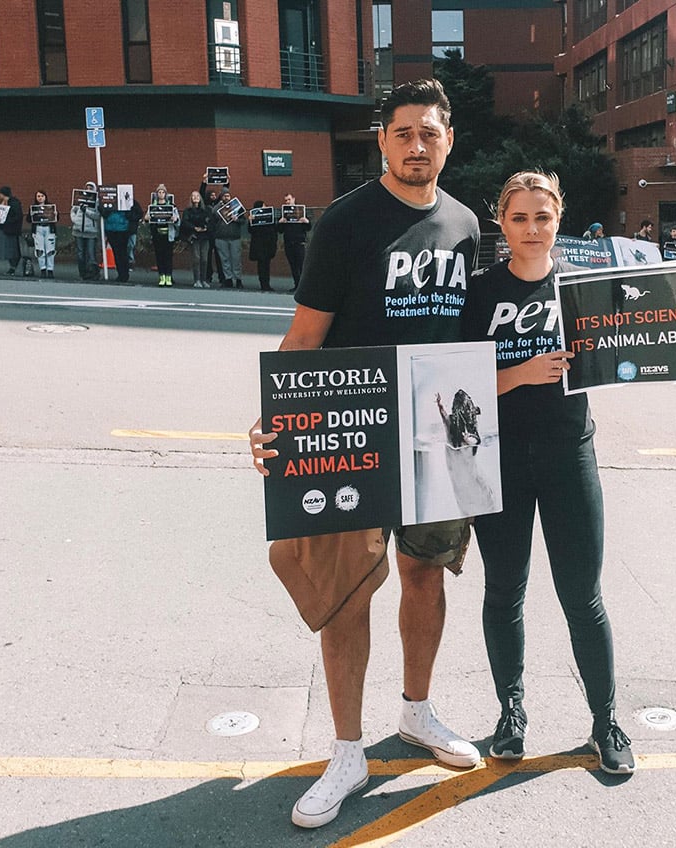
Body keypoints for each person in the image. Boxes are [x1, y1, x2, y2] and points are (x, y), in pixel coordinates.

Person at [248, 78, 481, 830]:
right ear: (382, 139)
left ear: (449, 140)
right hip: (353, 429)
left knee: (426, 574)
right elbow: (307, 334)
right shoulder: (346, 223)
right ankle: (347, 751)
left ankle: (417, 712)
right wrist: (273, 422)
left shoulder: (466, 225)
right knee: (348, 592)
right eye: (404, 131)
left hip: (439, 432)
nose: (418, 145)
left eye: (431, 133)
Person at [462, 171, 676, 774]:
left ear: (559, 220)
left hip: (568, 456)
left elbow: (660, 329)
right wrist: (517, 374)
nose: (532, 229)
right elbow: (449, 384)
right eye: (520, 218)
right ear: (501, 224)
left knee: (583, 597)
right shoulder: (479, 293)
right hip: (499, 461)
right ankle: (511, 715)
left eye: (543, 217)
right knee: (504, 591)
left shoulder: (584, 288)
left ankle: (604, 722)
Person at [100, 193, 143, 284]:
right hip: (111, 229)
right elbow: (104, 213)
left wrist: (129, 215)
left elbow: (139, 213)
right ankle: (120, 273)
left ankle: (124, 274)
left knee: (122, 252)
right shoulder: (109, 202)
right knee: (116, 253)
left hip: (123, 230)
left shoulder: (130, 202)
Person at [145, 183, 180, 287]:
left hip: (168, 234)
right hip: (157, 234)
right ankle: (162, 276)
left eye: (163, 192)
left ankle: (169, 276)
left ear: (166, 194)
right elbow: (147, 217)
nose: (161, 194)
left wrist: (175, 219)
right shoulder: (153, 206)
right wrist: (147, 218)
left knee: (168, 256)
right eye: (159, 192)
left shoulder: (172, 206)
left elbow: (177, 219)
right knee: (159, 256)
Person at [277, 193, 311, 290]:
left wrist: (306, 221)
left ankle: (303, 286)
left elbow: (308, 228)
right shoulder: (284, 213)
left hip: (299, 243)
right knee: (293, 266)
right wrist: (280, 223)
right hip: (289, 243)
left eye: (289, 199)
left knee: (301, 265)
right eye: (286, 200)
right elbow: (280, 230)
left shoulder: (301, 211)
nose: (287, 202)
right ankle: (296, 285)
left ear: (294, 199)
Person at [213, 187, 244, 289]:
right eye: (224, 196)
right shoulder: (217, 208)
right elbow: (213, 218)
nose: (226, 197)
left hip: (234, 237)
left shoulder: (236, 206)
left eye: (228, 195)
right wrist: (219, 207)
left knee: (236, 259)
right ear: (221, 197)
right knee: (224, 260)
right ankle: (228, 279)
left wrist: (237, 219)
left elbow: (243, 221)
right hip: (221, 237)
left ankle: (238, 279)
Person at [180, 190, 212, 288]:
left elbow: (210, 221)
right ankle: (197, 280)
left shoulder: (206, 210)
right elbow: (185, 223)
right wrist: (194, 228)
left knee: (205, 259)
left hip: (204, 236)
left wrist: (206, 227)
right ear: (191, 198)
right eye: (193, 196)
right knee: (196, 258)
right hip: (194, 236)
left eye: (197, 195)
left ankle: (204, 280)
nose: (195, 197)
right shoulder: (187, 211)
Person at [70, 181, 100, 281]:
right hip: (78, 229)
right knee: (80, 253)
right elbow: (73, 211)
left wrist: (86, 211)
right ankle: (82, 273)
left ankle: (92, 273)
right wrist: (75, 220)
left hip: (90, 230)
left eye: (91, 188)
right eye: (87, 187)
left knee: (91, 253)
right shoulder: (79, 199)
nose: (88, 189)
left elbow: (97, 216)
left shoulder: (96, 201)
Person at [0, 186, 24, 276]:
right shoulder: (0, 202)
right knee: (6, 248)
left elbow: (18, 216)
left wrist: (8, 221)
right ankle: (12, 266)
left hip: (11, 229)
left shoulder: (14, 203)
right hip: (3, 228)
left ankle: (13, 266)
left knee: (12, 248)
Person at [248, 200, 278, 292]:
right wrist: (250, 221)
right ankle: (263, 284)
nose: (265, 207)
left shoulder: (269, 217)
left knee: (266, 265)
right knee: (262, 265)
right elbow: (250, 230)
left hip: (268, 244)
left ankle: (266, 284)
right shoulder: (254, 218)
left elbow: (275, 229)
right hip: (259, 245)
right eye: (264, 206)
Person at [30, 190, 57, 278]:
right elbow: (28, 220)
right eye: (38, 196)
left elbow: (56, 219)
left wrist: (56, 214)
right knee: (40, 250)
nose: (40, 198)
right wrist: (31, 215)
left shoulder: (50, 207)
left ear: (45, 197)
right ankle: (42, 269)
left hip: (49, 229)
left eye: (42, 196)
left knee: (50, 250)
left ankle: (50, 269)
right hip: (38, 229)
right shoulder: (34, 207)